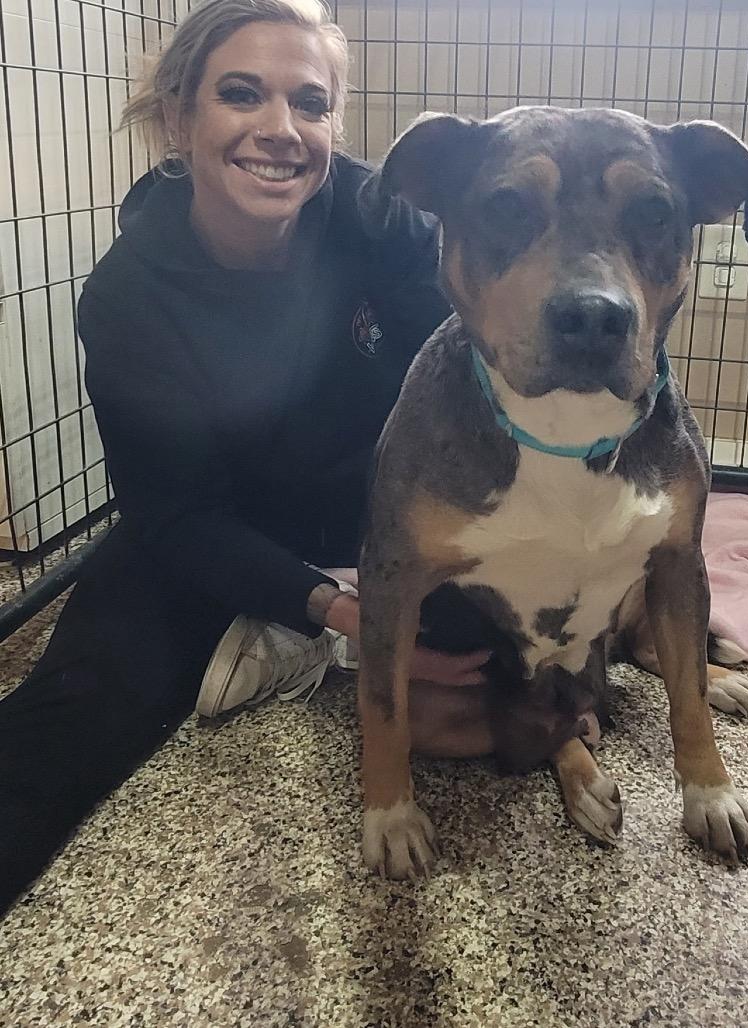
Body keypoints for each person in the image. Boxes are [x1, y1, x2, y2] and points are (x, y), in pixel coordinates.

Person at [0, 0, 490, 915]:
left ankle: (286, 625)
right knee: (80, 709)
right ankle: (293, 626)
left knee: (499, 656)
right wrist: (350, 616)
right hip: (221, 517)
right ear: (178, 118)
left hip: (378, 499)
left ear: (334, 124)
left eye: (310, 102)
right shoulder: (128, 296)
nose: (280, 129)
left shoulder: (381, 219)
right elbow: (176, 516)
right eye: (240, 94)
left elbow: (468, 377)